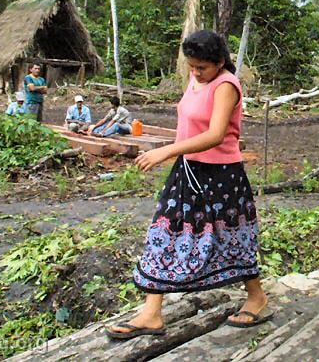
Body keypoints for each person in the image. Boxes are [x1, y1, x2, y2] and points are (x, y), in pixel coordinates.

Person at [106, 29, 267, 340]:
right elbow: (190, 123)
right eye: (191, 66)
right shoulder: (197, 79)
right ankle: (151, 313)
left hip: (222, 174)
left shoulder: (225, 85)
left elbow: (215, 134)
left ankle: (256, 297)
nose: (195, 72)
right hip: (189, 168)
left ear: (219, 62)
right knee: (164, 231)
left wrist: (166, 150)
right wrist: (177, 153)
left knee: (233, 235)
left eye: (201, 67)